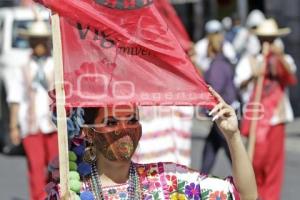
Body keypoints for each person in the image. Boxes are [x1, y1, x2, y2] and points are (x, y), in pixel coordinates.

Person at [46, 87, 257, 200]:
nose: (124, 129)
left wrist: (233, 136)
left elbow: (245, 195)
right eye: (111, 122)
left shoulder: (167, 181)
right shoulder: (70, 191)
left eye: (132, 120)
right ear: (88, 132)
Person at [237, 19, 297, 200]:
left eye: (271, 39)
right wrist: (253, 76)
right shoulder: (250, 60)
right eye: (265, 39)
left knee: (274, 168)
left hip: (276, 120)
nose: (267, 43)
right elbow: (240, 84)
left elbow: (291, 77)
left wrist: (277, 57)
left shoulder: (284, 59)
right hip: (256, 120)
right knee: (254, 164)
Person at [8, 20, 58, 200]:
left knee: (55, 166)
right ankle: (37, 197)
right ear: (30, 42)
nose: (39, 44)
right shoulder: (22, 67)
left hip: (53, 124)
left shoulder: (56, 64)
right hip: (31, 124)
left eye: (42, 40)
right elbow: (15, 97)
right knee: (36, 166)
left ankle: (53, 196)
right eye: (35, 40)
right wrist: (13, 126)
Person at [201, 30, 239, 173]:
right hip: (222, 116)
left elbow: (214, 91)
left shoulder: (217, 66)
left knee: (235, 157)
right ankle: (199, 184)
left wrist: (206, 110)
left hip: (222, 117)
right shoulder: (223, 63)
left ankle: (249, 190)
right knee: (209, 153)